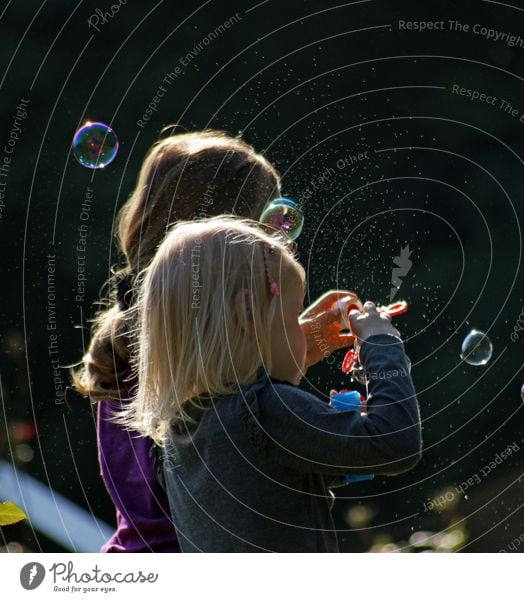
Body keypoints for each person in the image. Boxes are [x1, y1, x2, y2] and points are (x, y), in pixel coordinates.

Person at [70, 131, 358, 551]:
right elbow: (245, 449)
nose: (277, 244)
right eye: (263, 229)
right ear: (214, 243)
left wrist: (303, 339)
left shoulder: (136, 338)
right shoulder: (189, 361)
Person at [121, 216, 422, 552]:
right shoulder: (265, 411)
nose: (301, 324)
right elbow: (395, 443)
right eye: (294, 314)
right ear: (247, 311)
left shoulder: (184, 433)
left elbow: (280, 484)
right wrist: (381, 345)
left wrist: (342, 419)